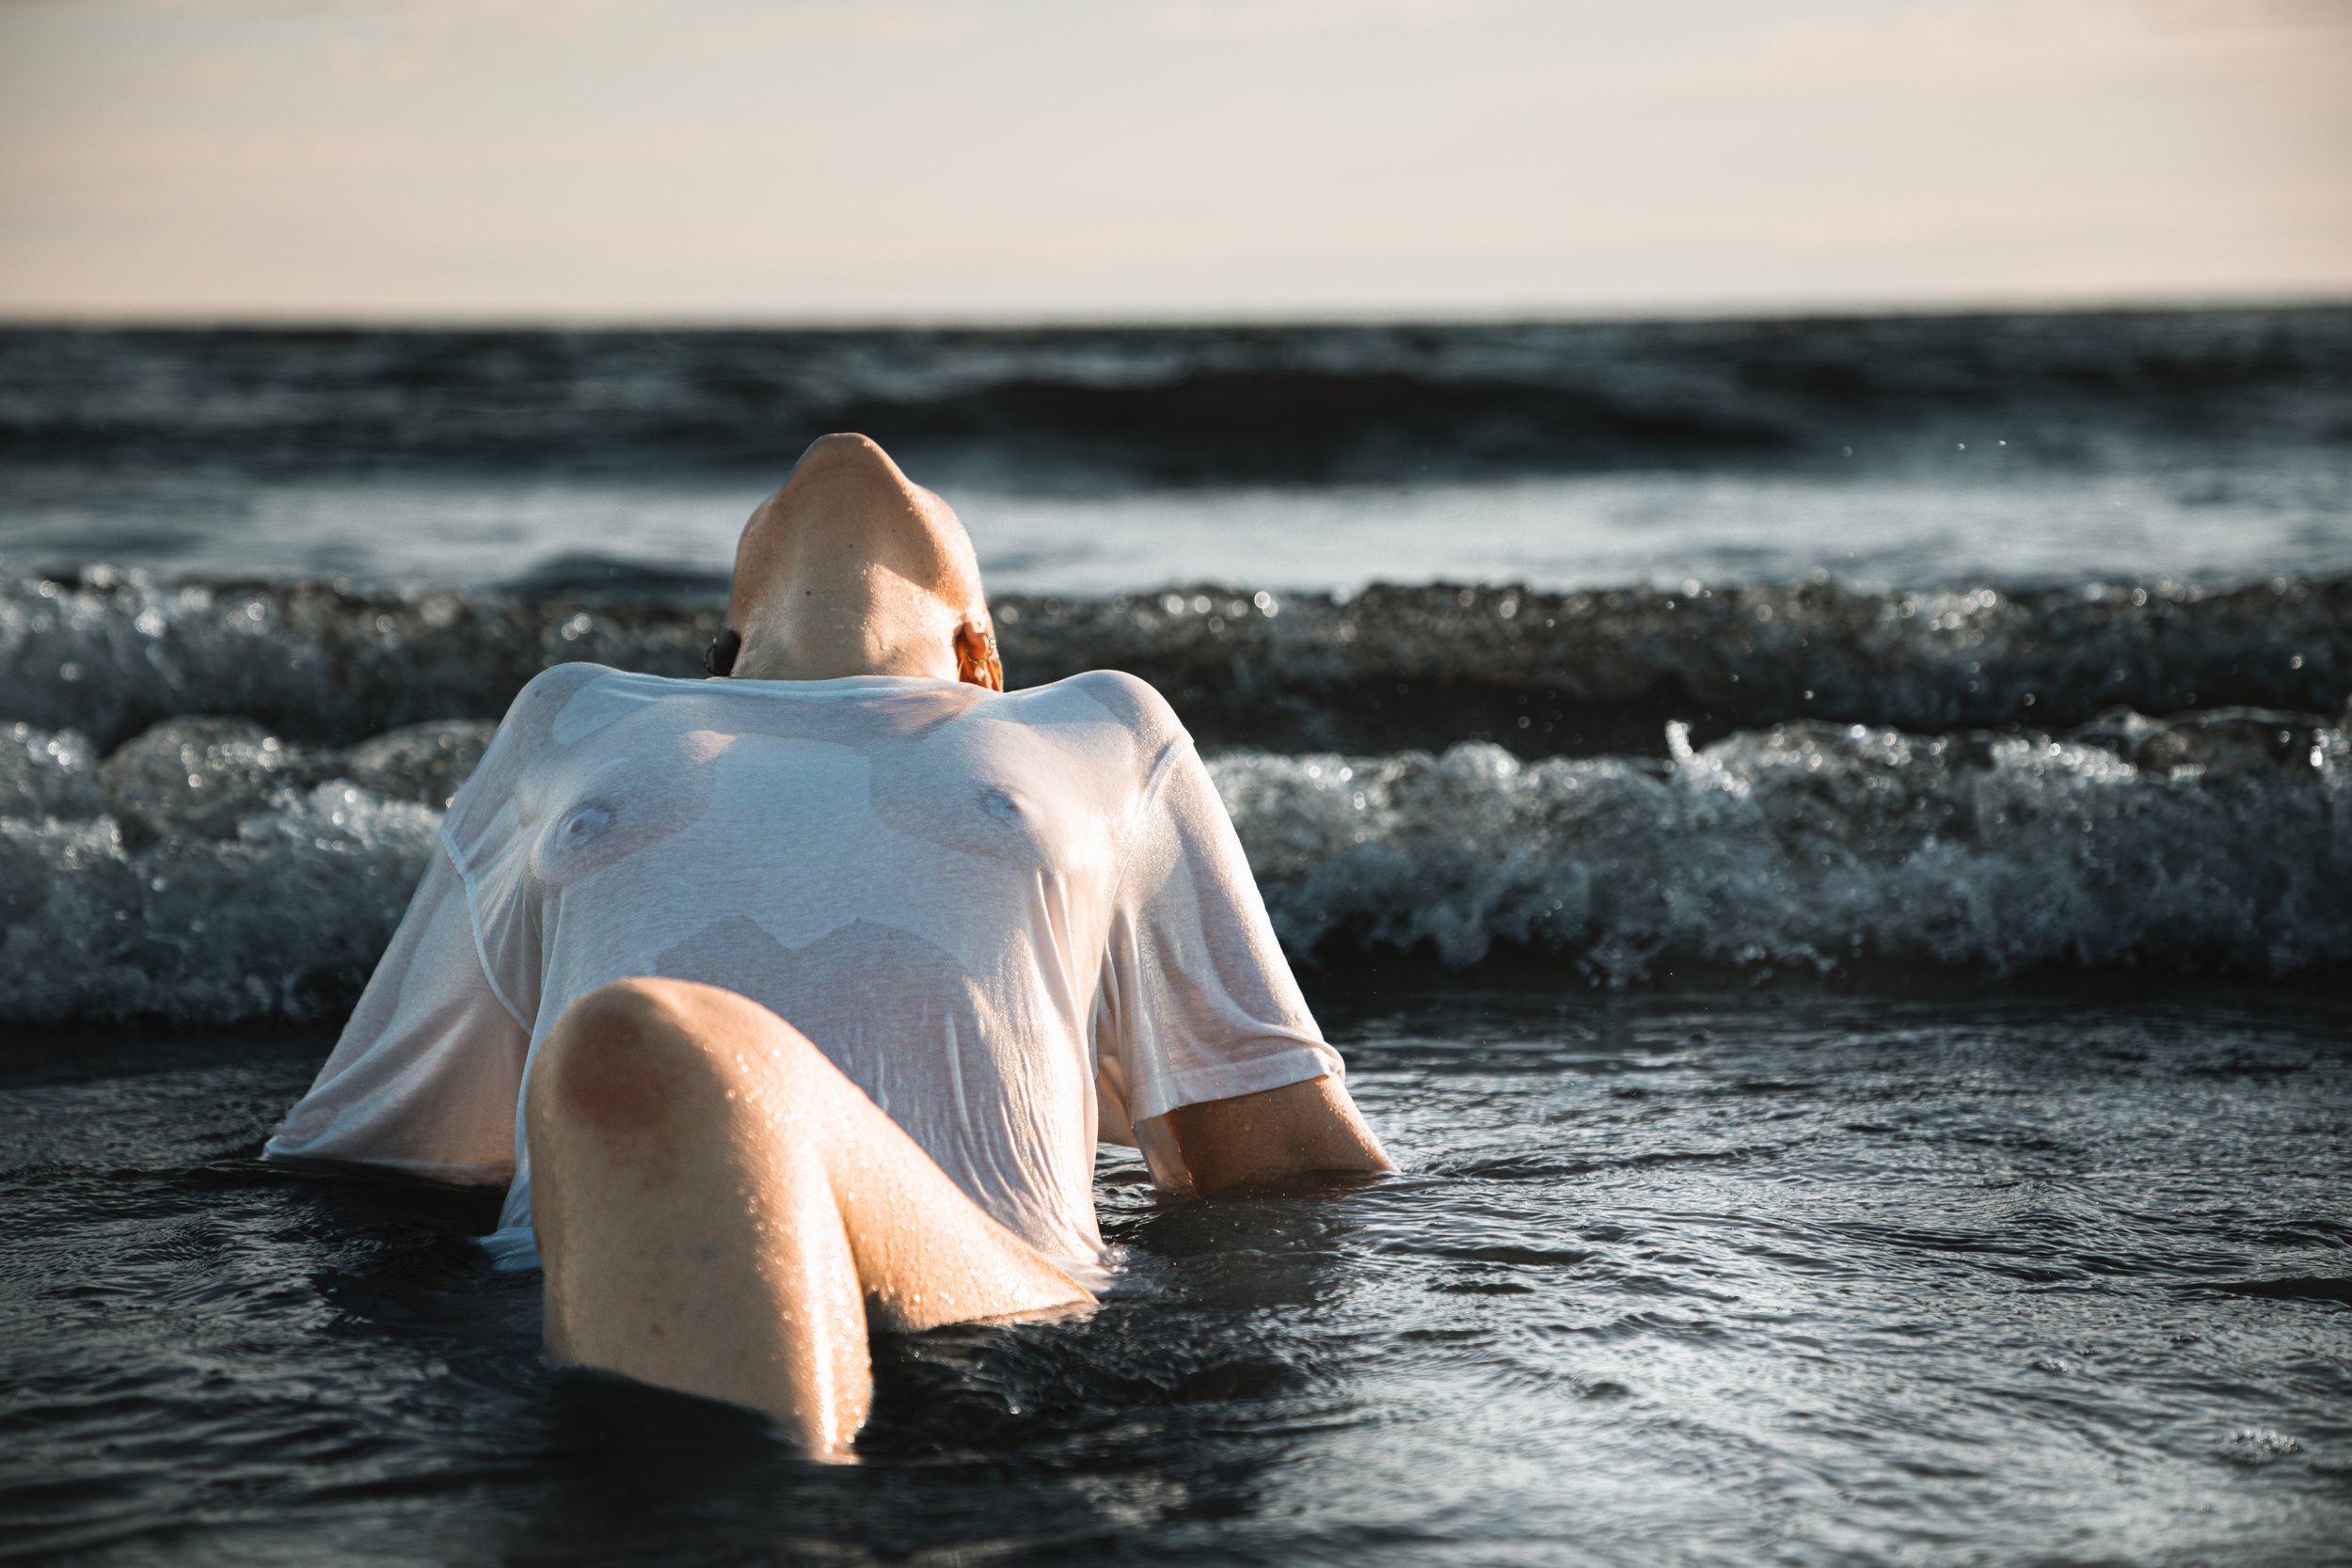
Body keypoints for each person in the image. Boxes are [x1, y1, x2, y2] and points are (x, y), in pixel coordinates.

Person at [264, 433, 1391, 1458]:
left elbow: (1278, 1146)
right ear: (726, 650)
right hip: (598, 1275)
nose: (855, 452)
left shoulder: (1098, 723)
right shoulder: (571, 715)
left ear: (979, 654)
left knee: (640, 1046)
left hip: (978, 1292)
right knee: (631, 1065)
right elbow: (378, 1145)